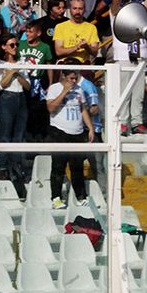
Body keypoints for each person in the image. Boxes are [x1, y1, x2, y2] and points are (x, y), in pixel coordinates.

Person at [45, 65, 95, 209]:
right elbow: (50, 108)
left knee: (77, 167)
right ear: (63, 76)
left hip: (77, 132)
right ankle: (56, 197)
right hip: (59, 131)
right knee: (58, 167)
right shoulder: (54, 88)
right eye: (71, 78)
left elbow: (83, 109)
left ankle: (80, 196)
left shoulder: (79, 89)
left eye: (76, 78)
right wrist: (65, 91)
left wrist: (90, 128)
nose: (74, 81)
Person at [109, 0, 147, 136]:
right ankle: (123, 123)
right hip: (123, 58)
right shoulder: (116, 15)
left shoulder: (140, 14)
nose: (129, 4)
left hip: (140, 58)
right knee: (123, 93)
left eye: (132, 2)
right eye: (127, 1)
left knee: (138, 94)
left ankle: (137, 123)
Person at [0, 32, 29, 187]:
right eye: (12, 45)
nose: (15, 48)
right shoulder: (0, 63)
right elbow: (1, 84)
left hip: (21, 98)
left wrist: (15, 72)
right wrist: (14, 71)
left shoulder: (21, 62)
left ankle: (16, 167)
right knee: (4, 135)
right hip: (6, 98)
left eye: (17, 45)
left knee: (19, 137)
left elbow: (28, 86)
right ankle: (2, 168)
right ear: (4, 47)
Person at [53, 0, 99, 64]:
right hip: (65, 64)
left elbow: (95, 52)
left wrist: (87, 47)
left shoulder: (91, 28)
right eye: (74, 8)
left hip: (83, 65)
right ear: (70, 9)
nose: (77, 11)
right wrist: (76, 47)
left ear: (84, 10)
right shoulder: (60, 27)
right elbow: (58, 52)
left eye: (80, 9)